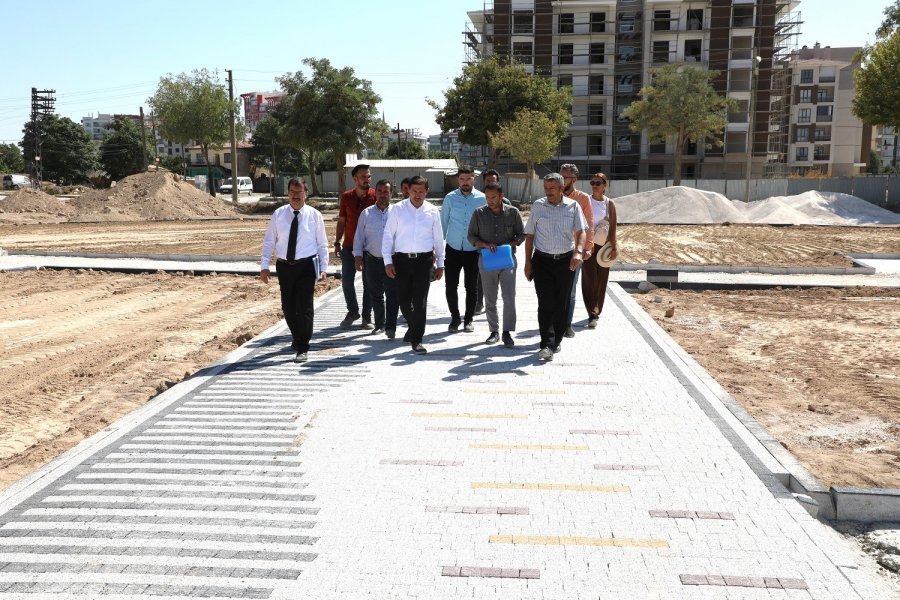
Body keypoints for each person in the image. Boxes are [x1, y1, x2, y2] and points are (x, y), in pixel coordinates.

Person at [260, 178, 329, 363]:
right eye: (292, 192)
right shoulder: (279, 214)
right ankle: (297, 336)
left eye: (299, 192)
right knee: (288, 307)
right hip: (284, 267)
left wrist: (324, 268)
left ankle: (303, 346)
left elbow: (322, 244)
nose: (296, 196)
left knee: (305, 307)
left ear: (306, 194)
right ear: (288, 193)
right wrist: (264, 266)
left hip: (306, 266)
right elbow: (269, 241)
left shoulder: (315, 215)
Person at [523, 173, 588, 362]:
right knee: (545, 303)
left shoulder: (573, 206)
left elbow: (581, 231)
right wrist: (528, 262)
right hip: (542, 261)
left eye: (552, 188)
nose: (548, 191)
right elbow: (530, 235)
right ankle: (546, 343)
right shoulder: (538, 206)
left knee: (562, 302)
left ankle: (557, 339)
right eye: (546, 188)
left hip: (566, 261)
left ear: (561, 188)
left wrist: (578, 251)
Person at [383, 175, 445, 354]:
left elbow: (438, 239)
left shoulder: (432, 211)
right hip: (401, 261)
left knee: (420, 302)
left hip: (424, 262)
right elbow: (388, 236)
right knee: (404, 301)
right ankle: (413, 327)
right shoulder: (397, 209)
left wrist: (441, 263)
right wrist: (388, 261)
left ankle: (417, 339)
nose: (418, 195)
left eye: (421, 191)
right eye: (414, 191)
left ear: (427, 192)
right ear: (408, 190)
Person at [467, 181, 524, 348]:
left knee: (509, 297)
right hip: (487, 260)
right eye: (487, 197)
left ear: (501, 196)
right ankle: (494, 331)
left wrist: (512, 243)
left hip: (507, 260)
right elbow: (471, 236)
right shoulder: (478, 213)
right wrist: (485, 245)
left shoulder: (513, 212)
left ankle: (507, 332)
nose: (490, 201)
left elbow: (522, 234)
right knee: (490, 297)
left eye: (493, 197)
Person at [440, 165, 485, 332]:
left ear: (474, 179)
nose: (465, 182)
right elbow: (443, 223)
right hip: (452, 249)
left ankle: (468, 320)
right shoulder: (450, 198)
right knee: (451, 286)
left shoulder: (482, 198)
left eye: (468, 178)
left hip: (473, 250)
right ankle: (455, 318)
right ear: (457, 179)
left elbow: (484, 223)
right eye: (462, 179)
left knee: (471, 287)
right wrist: (437, 249)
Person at [353, 179, 399, 338]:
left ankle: (391, 327)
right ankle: (380, 325)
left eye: (386, 191)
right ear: (375, 193)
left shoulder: (397, 212)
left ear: (391, 193)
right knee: (376, 294)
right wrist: (358, 256)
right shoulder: (366, 213)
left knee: (392, 294)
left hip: (392, 261)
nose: (382, 194)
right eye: (379, 191)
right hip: (371, 260)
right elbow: (359, 237)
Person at [335, 164, 375, 328]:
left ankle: (367, 316)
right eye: (363, 176)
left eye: (369, 176)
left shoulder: (375, 196)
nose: (367, 179)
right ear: (355, 178)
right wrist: (337, 241)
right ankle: (353, 311)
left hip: (369, 249)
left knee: (369, 283)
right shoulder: (346, 197)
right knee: (346, 281)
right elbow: (342, 221)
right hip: (349, 247)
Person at [560, 163, 594, 338]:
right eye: (560, 176)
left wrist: (587, 247)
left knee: (570, 290)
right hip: (555, 250)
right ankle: (555, 323)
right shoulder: (554, 195)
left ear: (574, 179)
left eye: (564, 177)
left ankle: (567, 325)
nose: (561, 180)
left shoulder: (583, 199)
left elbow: (589, 224)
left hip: (575, 251)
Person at [582, 173, 618, 328]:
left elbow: (613, 227)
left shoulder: (609, 204)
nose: (594, 186)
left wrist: (614, 246)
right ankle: (592, 312)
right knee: (589, 279)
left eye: (598, 183)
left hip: (604, 246)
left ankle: (597, 309)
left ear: (605, 185)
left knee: (602, 279)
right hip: (589, 245)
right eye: (592, 183)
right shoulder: (586, 201)